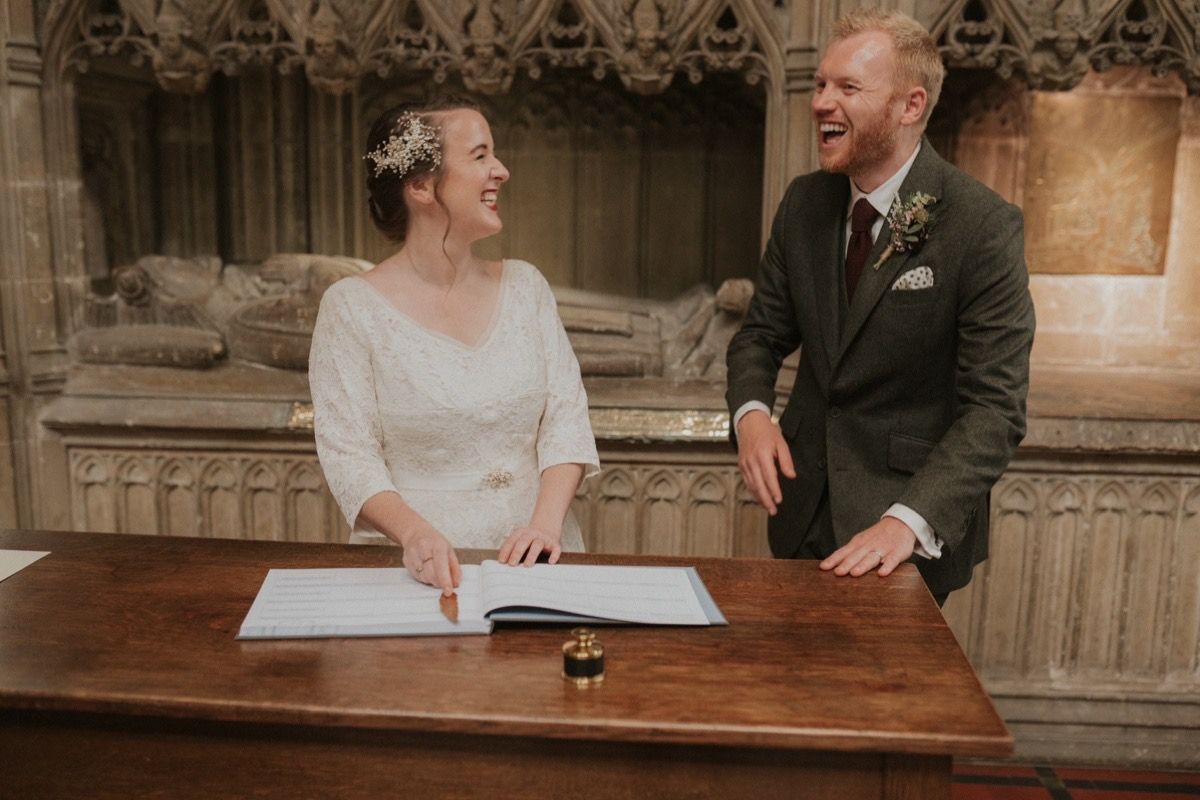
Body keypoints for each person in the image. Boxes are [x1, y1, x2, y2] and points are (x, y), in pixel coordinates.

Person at [724, 9, 1035, 603]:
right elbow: (759, 336)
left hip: (901, 534)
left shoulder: (983, 227)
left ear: (909, 106)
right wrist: (752, 417)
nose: (820, 103)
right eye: (819, 85)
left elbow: (995, 410)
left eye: (847, 88)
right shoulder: (804, 203)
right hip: (800, 510)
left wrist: (906, 521)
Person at [309, 98, 600, 595]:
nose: (501, 171)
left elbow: (566, 420)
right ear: (421, 186)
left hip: (537, 563)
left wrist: (546, 528)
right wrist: (415, 534)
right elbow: (349, 456)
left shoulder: (527, 287)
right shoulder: (350, 309)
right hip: (417, 572)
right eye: (481, 155)